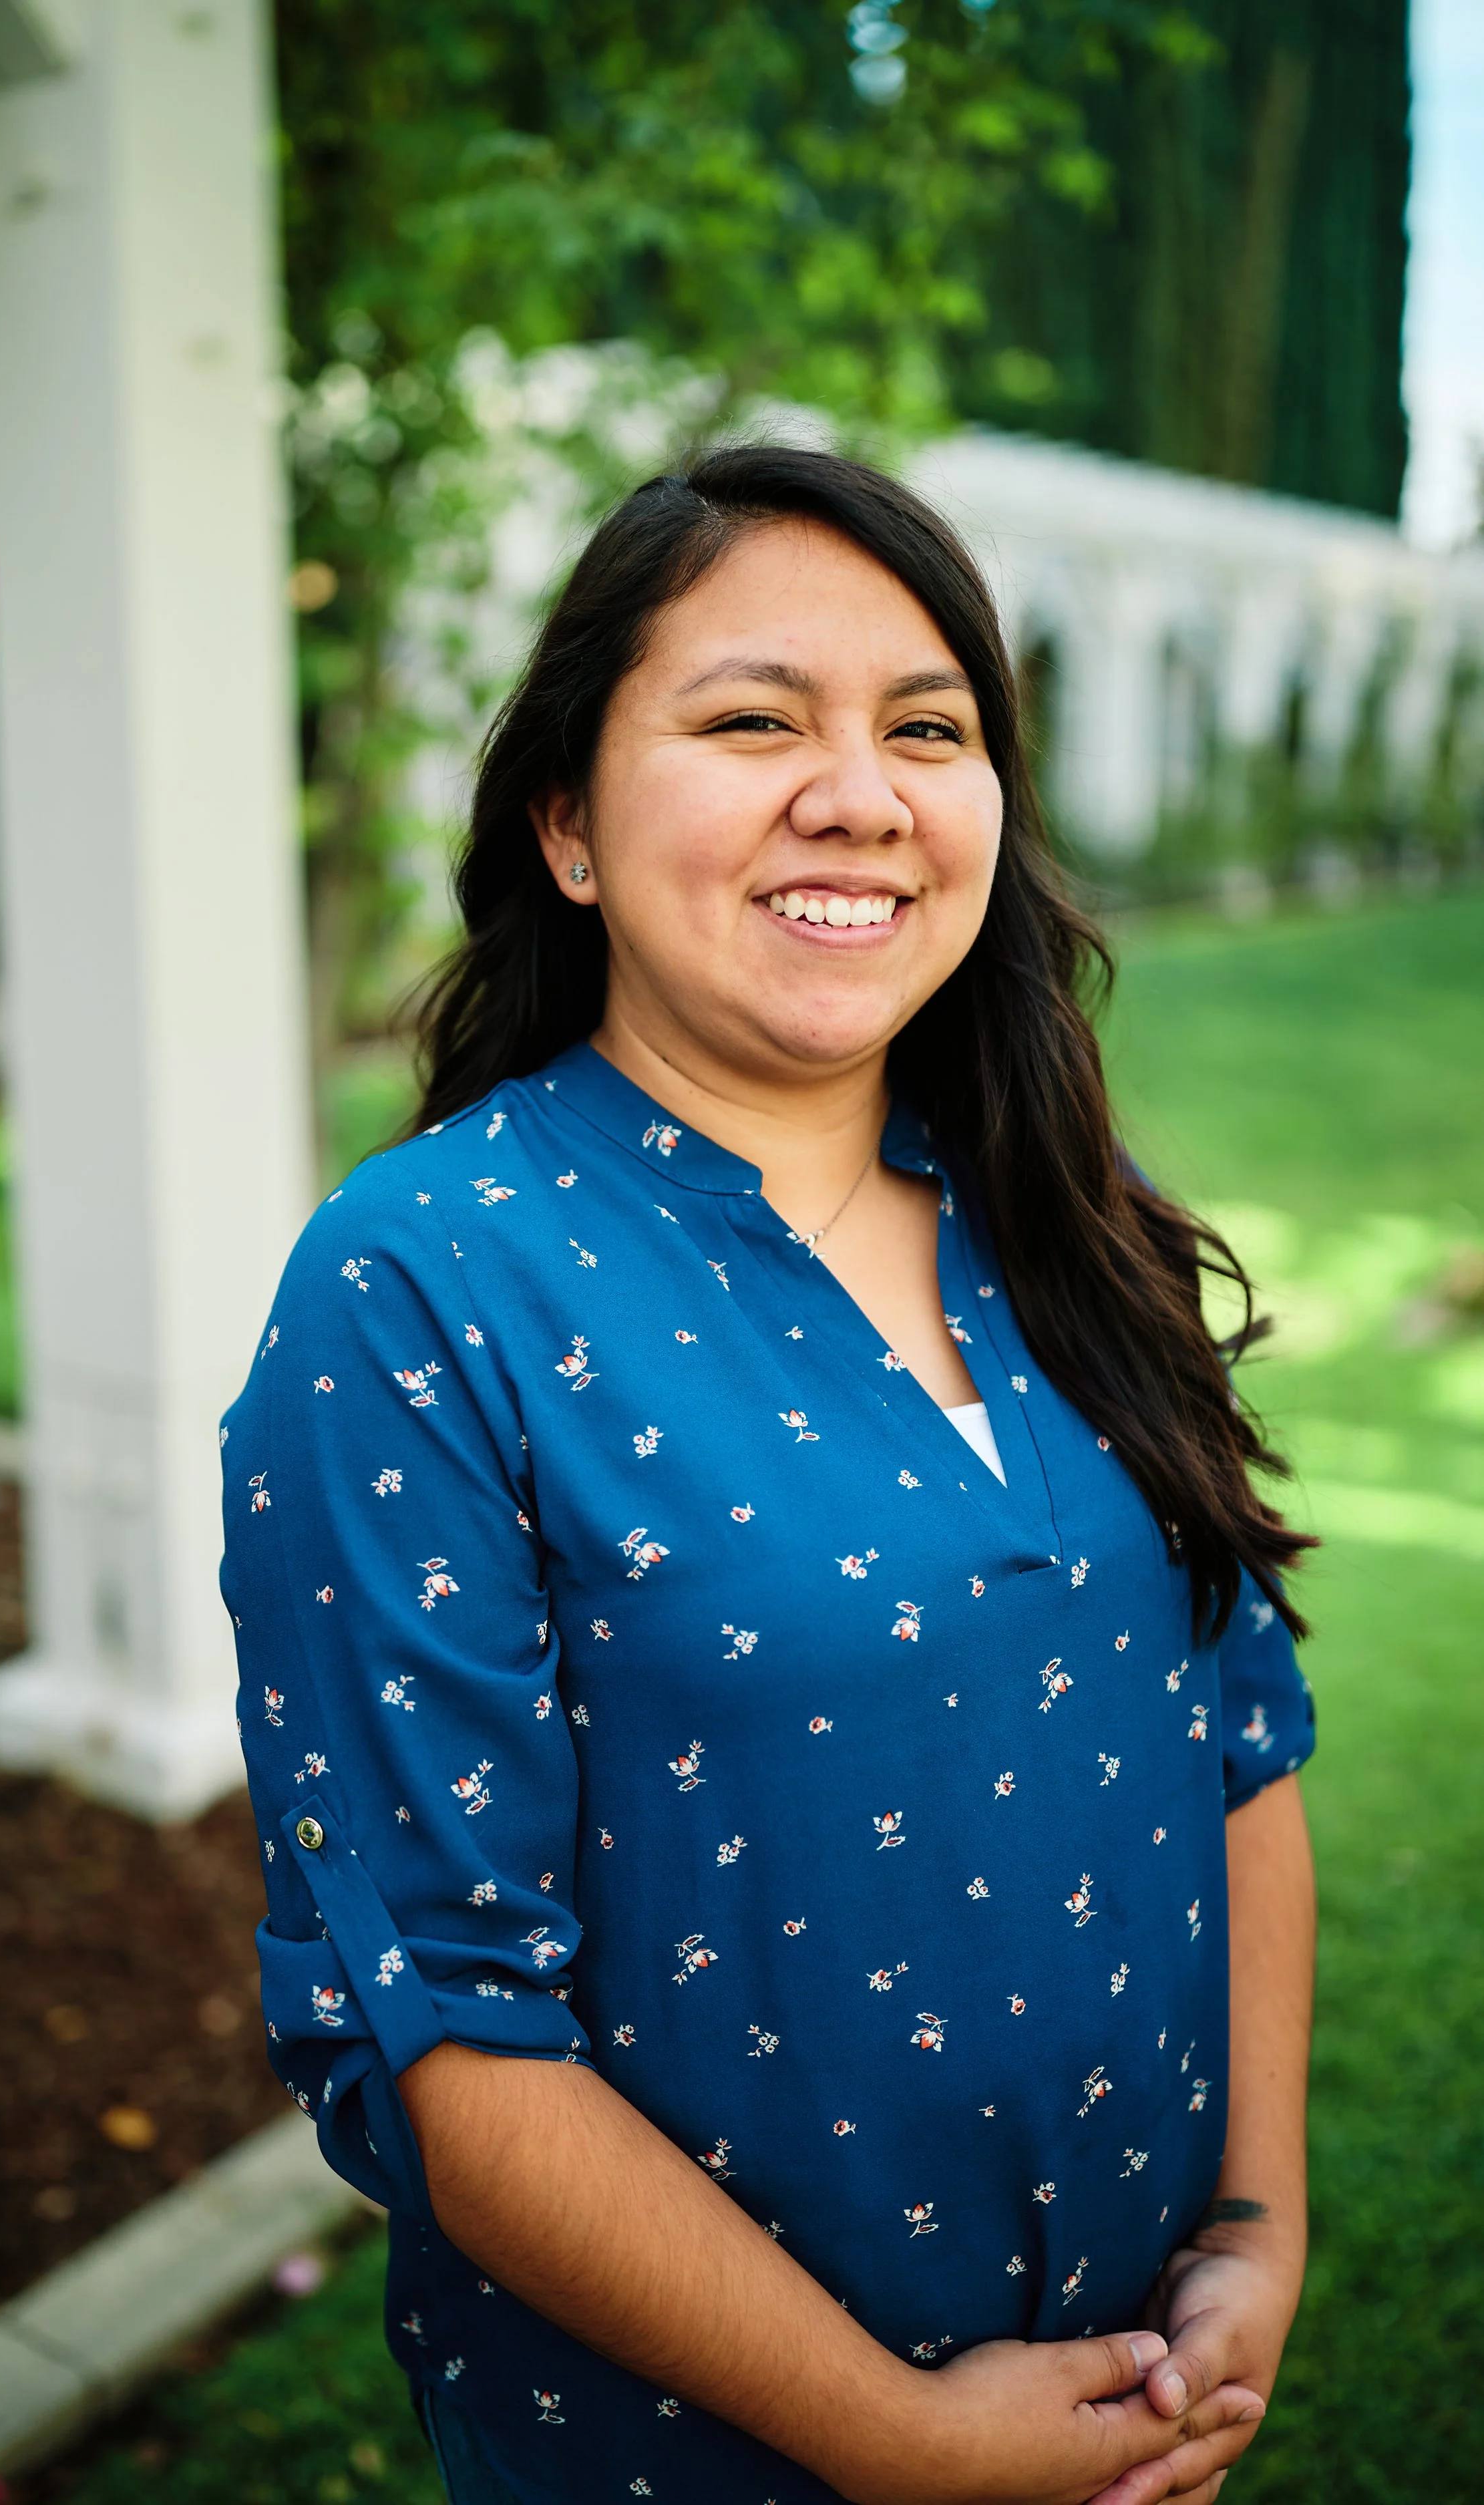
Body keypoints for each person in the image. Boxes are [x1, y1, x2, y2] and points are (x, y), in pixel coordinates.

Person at [220, 446, 1316, 2505]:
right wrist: (899, 2443)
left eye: (930, 727)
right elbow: (446, 2032)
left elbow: (1237, 1738)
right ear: (562, 820)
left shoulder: (1072, 1218)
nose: (862, 793)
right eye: (749, 720)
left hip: (1146, 2414)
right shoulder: (418, 1290)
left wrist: (1255, 2227)